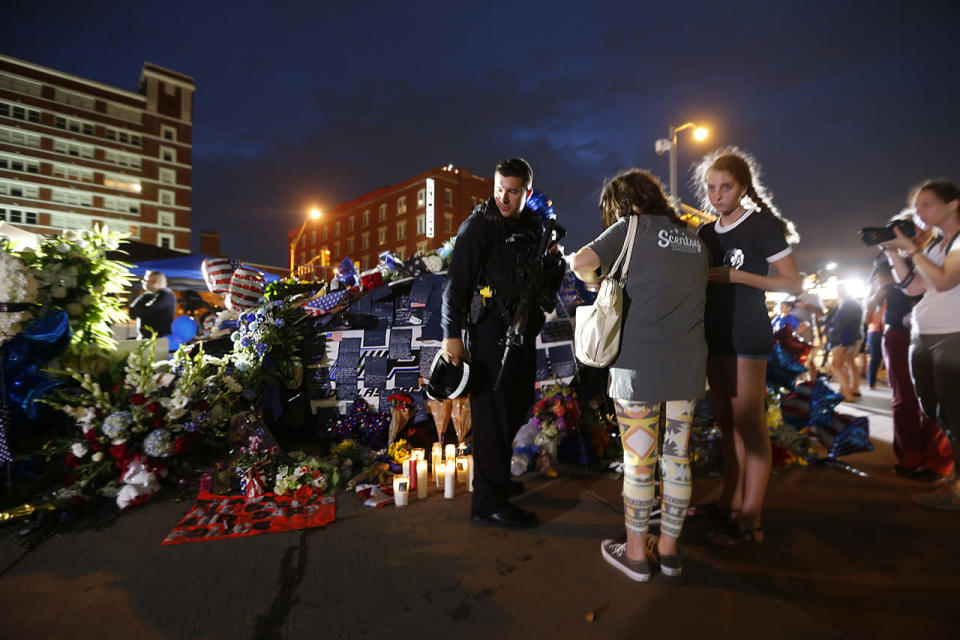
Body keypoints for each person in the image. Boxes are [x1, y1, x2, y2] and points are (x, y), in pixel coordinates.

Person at [570, 169, 707, 581]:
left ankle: (635, 555)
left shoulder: (630, 228)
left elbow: (580, 262)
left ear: (622, 204)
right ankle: (667, 551)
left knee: (639, 463)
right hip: (688, 365)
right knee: (677, 459)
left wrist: (597, 278)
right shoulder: (693, 238)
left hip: (638, 368)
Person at [440, 158, 565, 528]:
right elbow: (455, 285)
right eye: (499, 190)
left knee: (518, 401)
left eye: (512, 192)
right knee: (492, 412)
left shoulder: (533, 227)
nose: (504, 198)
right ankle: (488, 504)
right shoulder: (479, 226)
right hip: (491, 330)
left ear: (527, 192)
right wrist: (451, 335)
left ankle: (495, 481)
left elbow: (546, 279)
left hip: (523, 327)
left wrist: (554, 263)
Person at [692, 147, 803, 545]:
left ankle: (750, 521)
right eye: (711, 188)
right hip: (713, 336)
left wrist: (736, 276)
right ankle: (729, 503)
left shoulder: (762, 226)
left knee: (748, 425)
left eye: (726, 187)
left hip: (747, 335)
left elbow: (794, 283)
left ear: (742, 188)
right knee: (725, 422)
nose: (717, 195)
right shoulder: (704, 232)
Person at [881, 180, 960, 510]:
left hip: (952, 335)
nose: (920, 211)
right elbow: (913, 287)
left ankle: (956, 488)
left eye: (927, 204)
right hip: (922, 336)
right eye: (917, 206)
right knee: (934, 409)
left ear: (953, 204)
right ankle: (955, 481)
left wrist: (911, 250)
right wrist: (891, 251)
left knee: (955, 413)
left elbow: (944, 280)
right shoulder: (935, 245)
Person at [870, 246, 954, 482]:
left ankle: (938, 460)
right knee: (904, 399)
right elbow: (876, 293)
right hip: (898, 331)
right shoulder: (887, 256)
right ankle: (909, 455)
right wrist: (886, 272)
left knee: (935, 398)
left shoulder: (944, 247)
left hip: (935, 330)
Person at [826, 282, 864, 401]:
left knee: (836, 366)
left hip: (842, 338)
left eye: (841, 290)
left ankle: (847, 393)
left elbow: (839, 323)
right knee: (848, 364)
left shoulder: (848, 305)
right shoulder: (851, 304)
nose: (839, 293)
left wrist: (831, 324)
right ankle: (850, 389)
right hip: (851, 338)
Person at [129, 270, 176, 339]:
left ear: (155, 281)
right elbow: (132, 312)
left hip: (159, 340)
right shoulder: (147, 295)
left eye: (146, 280)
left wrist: (140, 310)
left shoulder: (166, 295)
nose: (144, 282)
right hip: (145, 338)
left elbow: (149, 310)